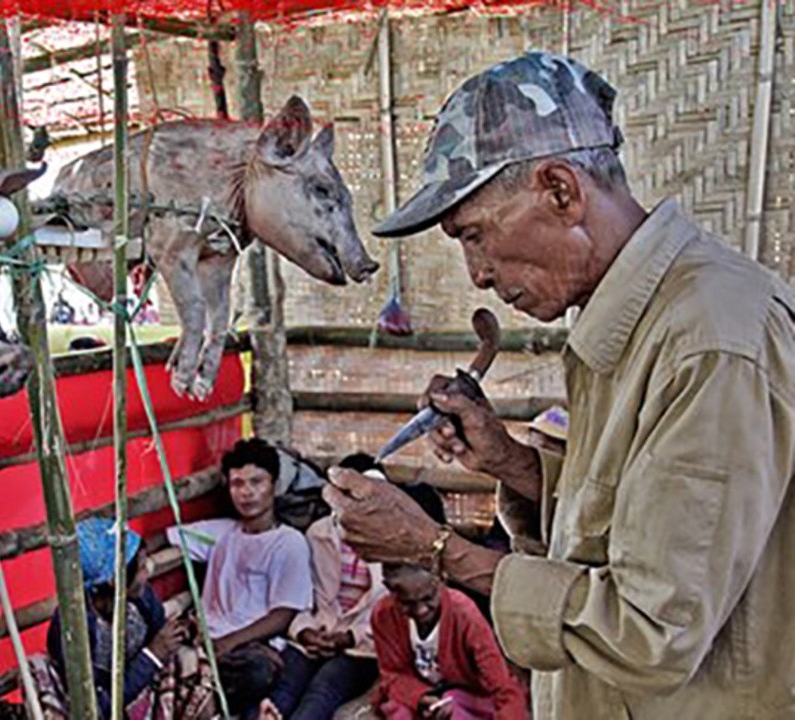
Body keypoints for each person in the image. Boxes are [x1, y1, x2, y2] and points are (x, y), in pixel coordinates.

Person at [323, 51, 795, 718]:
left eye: (477, 236)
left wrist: (432, 547)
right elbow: (640, 521)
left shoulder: (712, 337)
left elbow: (651, 629)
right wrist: (512, 462)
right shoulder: (643, 321)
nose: (477, 275)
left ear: (560, 191)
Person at [167, 437, 314, 716]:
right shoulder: (222, 533)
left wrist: (230, 641)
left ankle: (201, 695)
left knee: (258, 671)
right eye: (237, 484)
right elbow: (167, 537)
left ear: (274, 485)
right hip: (205, 642)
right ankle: (201, 691)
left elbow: (283, 614)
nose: (246, 492)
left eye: (256, 482)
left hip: (249, 647)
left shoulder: (289, 543)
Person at [268, 458, 391, 719]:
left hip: (364, 646)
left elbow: (394, 612)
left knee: (323, 690)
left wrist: (351, 637)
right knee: (283, 691)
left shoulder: (392, 541)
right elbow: (301, 595)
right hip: (315, 637)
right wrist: (304, 631)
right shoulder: (318, 534)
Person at [44, 517, 202, 719]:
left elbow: (159, 630)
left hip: (144, 688)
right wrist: (152, 656)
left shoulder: (141, 596)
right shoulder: (74, 630)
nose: (148, 571)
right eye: (143, 566)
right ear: (113, 581)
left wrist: (183, 632)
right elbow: (95, 708)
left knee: (194, 661)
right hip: (111, 708)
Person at [371, 562, 525, 720]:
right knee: (398, 710)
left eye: (428, 598)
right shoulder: (383, 615)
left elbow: (500, 681)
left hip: (466, 694)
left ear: (441, 579)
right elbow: (392, 674)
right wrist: (420, 698)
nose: (421, 610)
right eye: (407, 603)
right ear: (389, 590)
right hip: (419, 693)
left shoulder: (464, 614)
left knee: (455, 708)